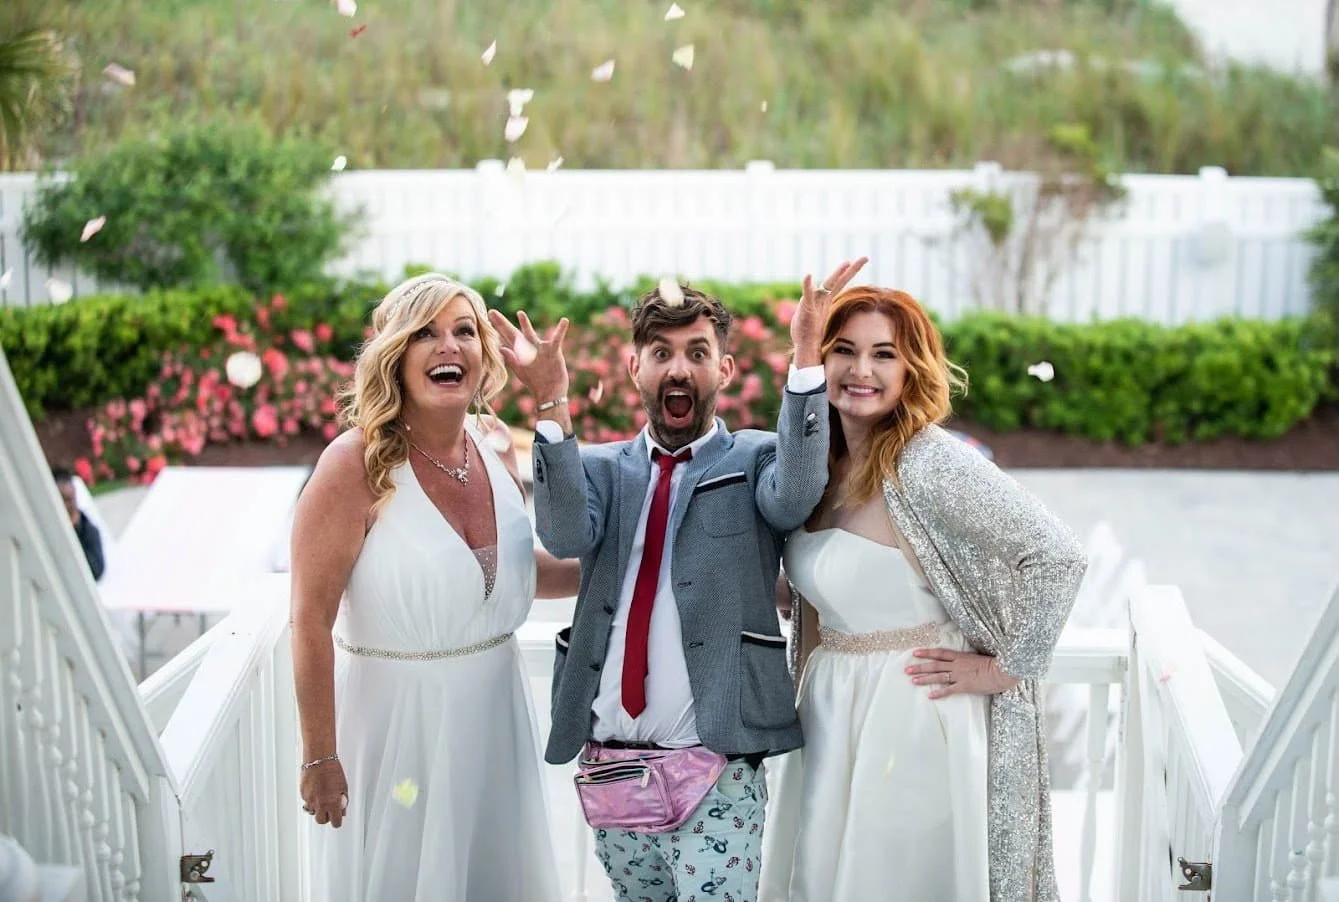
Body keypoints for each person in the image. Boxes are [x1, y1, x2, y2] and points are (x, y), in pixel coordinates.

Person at [490, 258, 866, 902]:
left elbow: (797, 495)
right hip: (614, 762)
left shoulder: (754, 458)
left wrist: (806, 355)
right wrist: (551, 401)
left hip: (717, 760)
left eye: (698, 351)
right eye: (660, 352)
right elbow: (564, 536)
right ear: (635, 368)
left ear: (723, 369)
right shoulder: (601, 469)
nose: (678, 368)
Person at [759, 286, 1087, 902]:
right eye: (844, 350)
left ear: (912, 368)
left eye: (884, 354)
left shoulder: (928, 462)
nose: (861, 370)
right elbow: (837, 585)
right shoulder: (819, 468)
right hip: (832, 709)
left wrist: (1004, 669)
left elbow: (1058, 554)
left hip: (911, 712)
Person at [290, 273, 580, 902]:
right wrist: (319, 756)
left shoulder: (493, 447)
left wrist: (629, 566)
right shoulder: (353, 464)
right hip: (400, 733)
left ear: (484, 355)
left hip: (493, 721)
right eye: (425, 332)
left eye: (464, 331)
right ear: (395, 353)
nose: (448, 346)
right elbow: (308, 619)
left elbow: (512, 573)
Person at [52, 466, 105, 581]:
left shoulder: (88, 531)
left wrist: (72, 532)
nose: (69, 505)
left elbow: (96, 571)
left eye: (70, 499)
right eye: (64, 500)